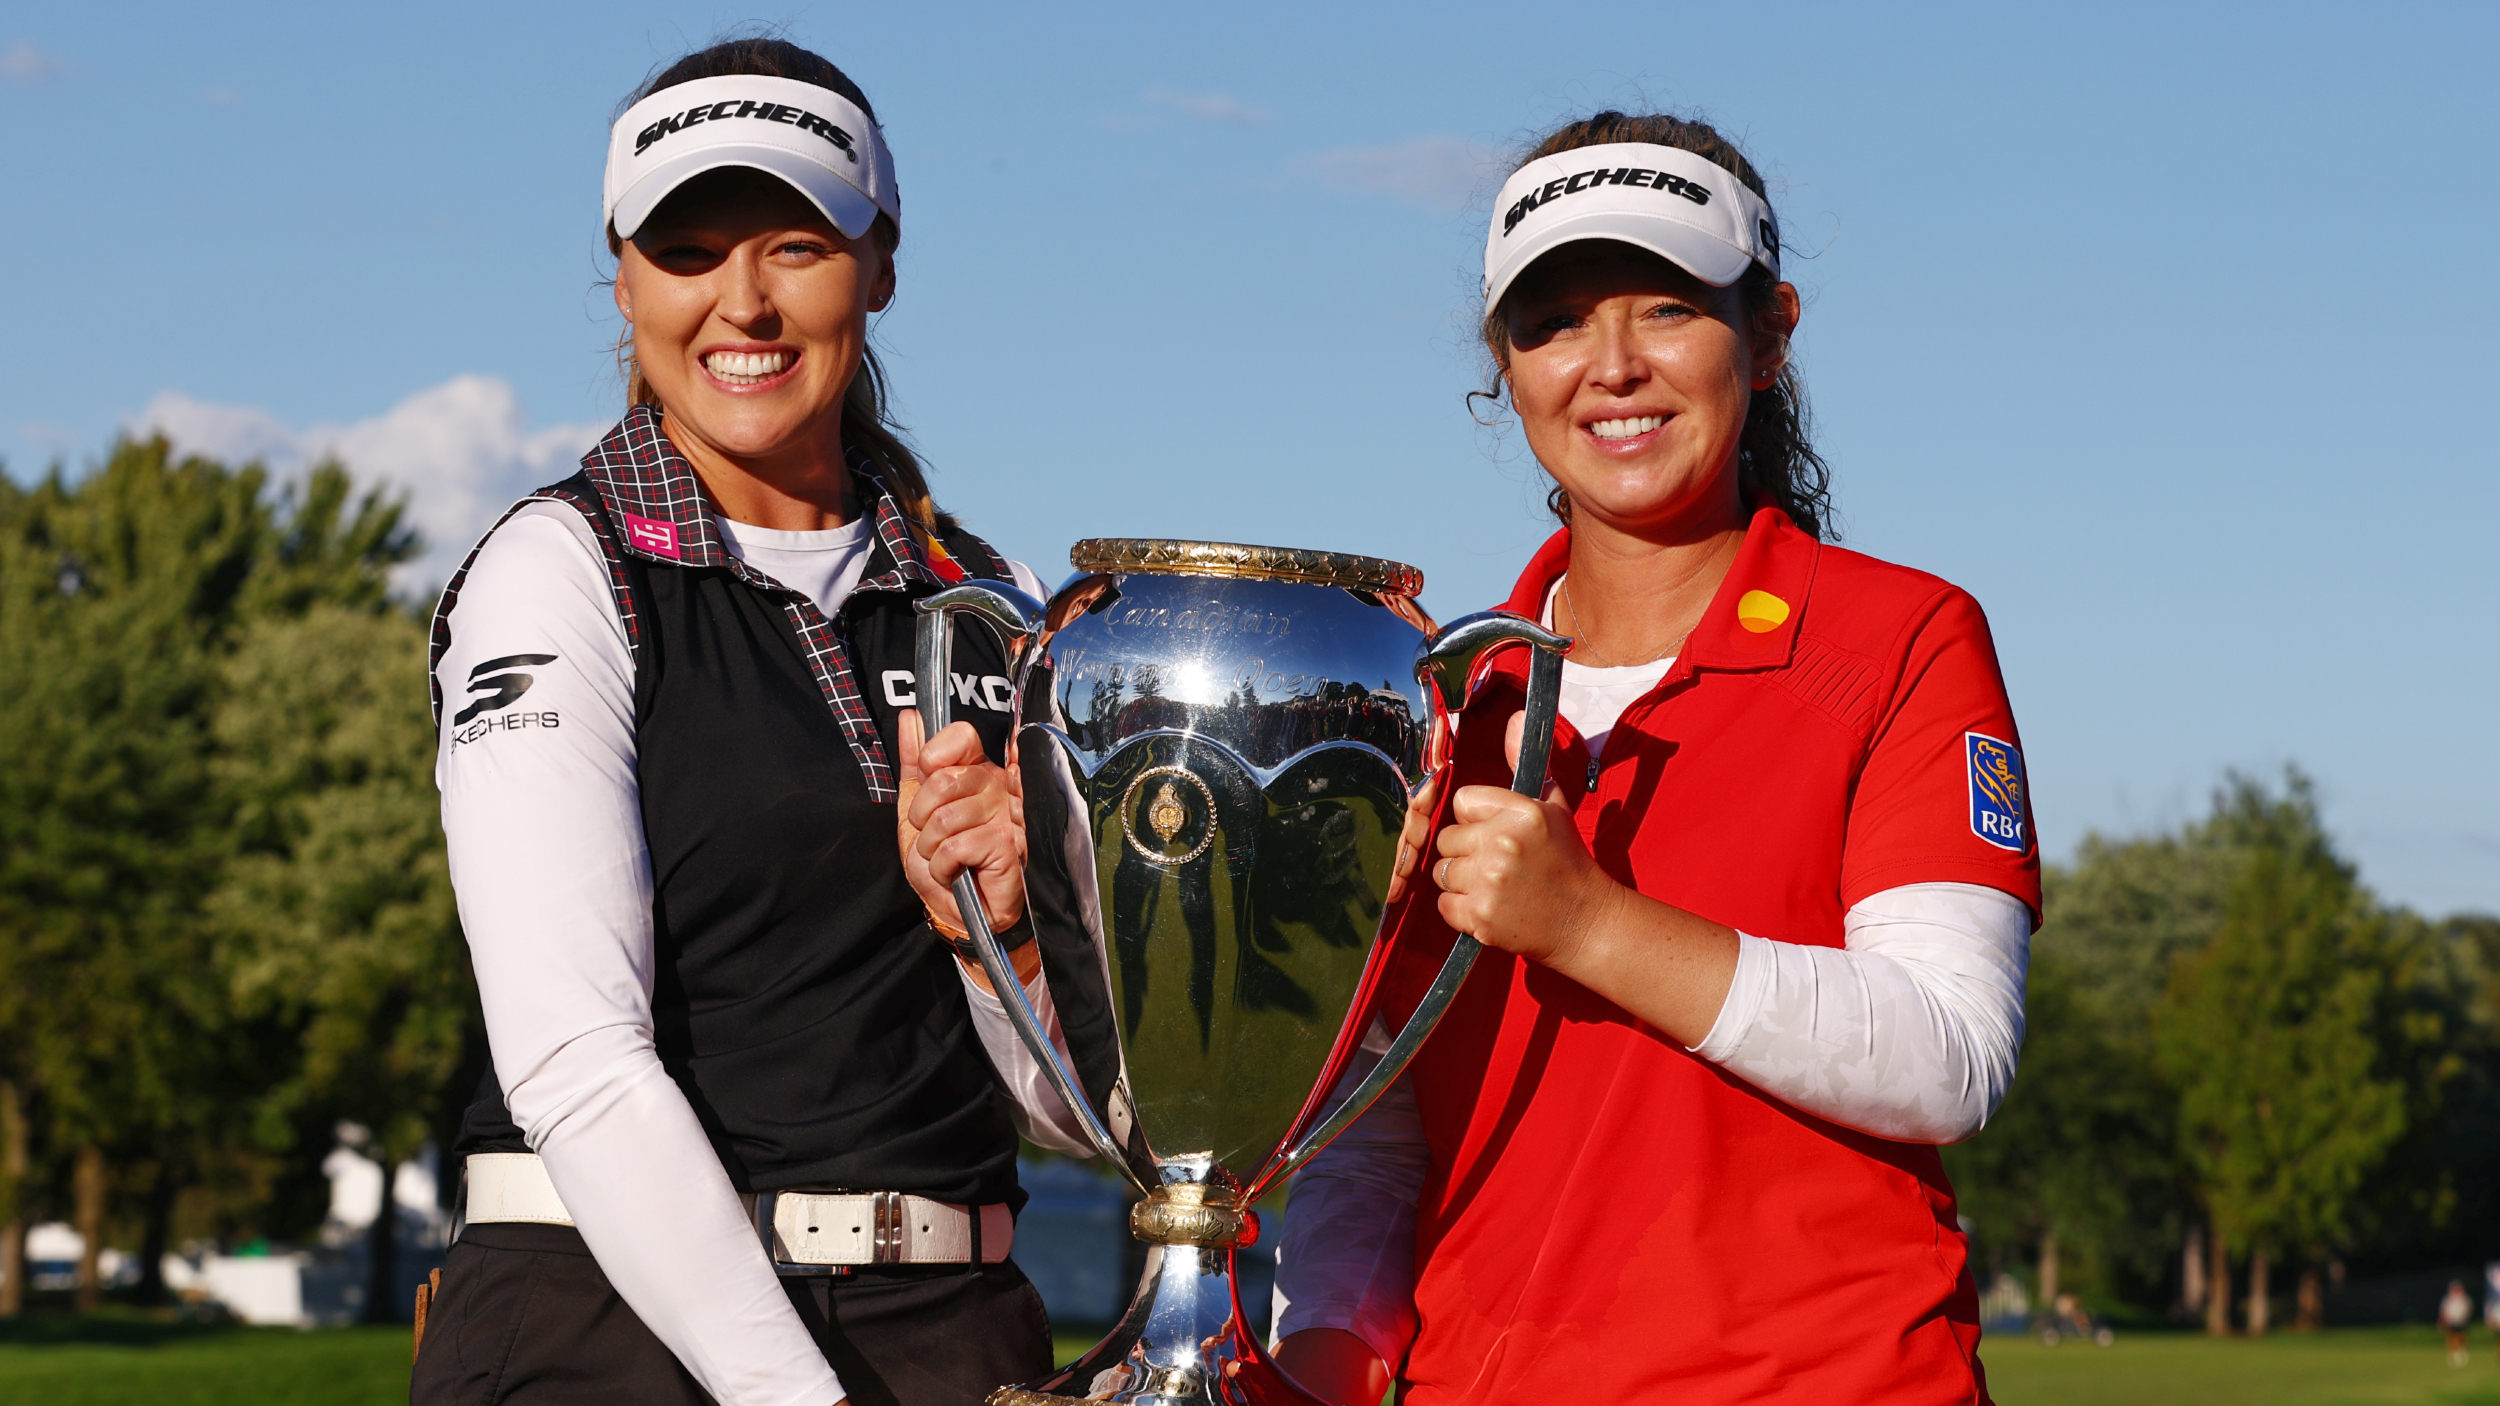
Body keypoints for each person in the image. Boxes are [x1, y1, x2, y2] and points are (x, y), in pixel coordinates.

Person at [1269, 111, 2039, 1404]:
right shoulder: (1434, 699)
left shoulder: (1903, 635)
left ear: (1770, 334)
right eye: (1555, 321)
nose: (1613, 366)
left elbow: (1949, 1056)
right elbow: (1380, 1134)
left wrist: (1586, 922)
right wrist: (1318, 1364)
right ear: (1505, 369)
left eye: (1669, 308)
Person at [412, 37, 1089, 1406]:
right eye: (686, 251)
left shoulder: (992, 602)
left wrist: (1003, 942)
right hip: (605, 1330)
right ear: (622, 280)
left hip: (949, 1327)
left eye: (795, 244)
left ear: (879, 264)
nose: (743, 302)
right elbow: (574, 1059)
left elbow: (1077, 1114)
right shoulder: (557, 570)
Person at [2443, 1279, 2473, 1365]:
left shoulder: (2464, 1298)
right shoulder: (2448, 1298)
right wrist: (2444, 1319)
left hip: (2461, 1320)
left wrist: (2465, 1316)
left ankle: (2460, 1351)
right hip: (2451, 1320)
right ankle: (2452, 1353)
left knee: (2460, 1336)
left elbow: (2469, 1308)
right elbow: (2444, 1309)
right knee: (2450, 1336)